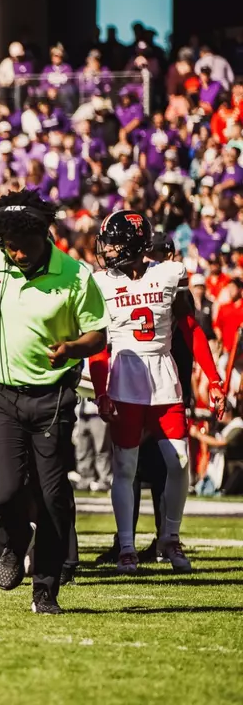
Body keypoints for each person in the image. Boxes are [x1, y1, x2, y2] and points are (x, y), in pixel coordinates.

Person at [0, 190, 108, 615]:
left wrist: (74, 347)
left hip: (51, 398)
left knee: (54, 497)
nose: (15, 252)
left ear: (44, 234)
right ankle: (15, 540)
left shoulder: (75, 275)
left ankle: (46, 590)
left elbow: (98, 334)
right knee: (2, 488)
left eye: (23, 243)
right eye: (7, 244)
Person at [89, 211, 226, 573]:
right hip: (124, 377)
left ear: (134, 243)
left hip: (163, 376)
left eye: (115, 242)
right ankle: (127, 547)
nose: (108, 249)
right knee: (125, 467)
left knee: (179, 461)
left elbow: (191, 328)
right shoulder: (101, 282)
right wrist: (101, 390)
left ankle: (170, 536)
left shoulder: (168, 273)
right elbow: (99, 343)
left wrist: (213, 378)